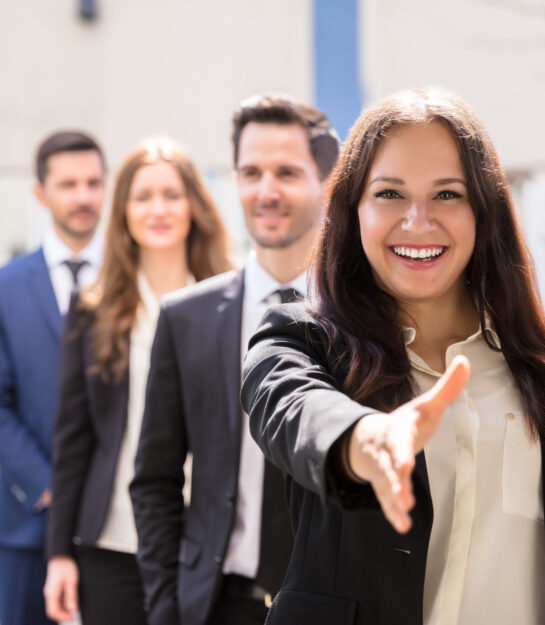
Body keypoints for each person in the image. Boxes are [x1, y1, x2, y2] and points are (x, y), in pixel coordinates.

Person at [240, 89, 545, 625]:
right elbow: (292, 406)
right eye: (390, 194)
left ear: (484, 210)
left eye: (448, 194)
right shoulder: (299, 338)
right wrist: (363, 438)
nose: (419, 221)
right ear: (352, 209)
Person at [129, 94, 339, 625]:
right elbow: (155, 479)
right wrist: (164, 604)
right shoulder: (185, 318)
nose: (266, 191)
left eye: (287, 172)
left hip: (332, 607)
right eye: (251, 172)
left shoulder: (364, 322)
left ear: (326, 183)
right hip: (213, 606)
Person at [43, 137, 233, 624]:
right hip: (113, 541)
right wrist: (59, 552)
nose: (158, 209)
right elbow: (72, 436)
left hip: (210, 540)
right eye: (142, 196)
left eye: (171, 194)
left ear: (194, 204)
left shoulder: (233, 304)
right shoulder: (93, 308)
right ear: (123, 211)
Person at [0, 130, 106, 625]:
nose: (84, 196)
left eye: (93, 182)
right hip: (27, 523)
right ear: (41, 193)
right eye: (69, 184)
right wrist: (56, 491)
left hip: (119, 527)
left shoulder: (131, 285)